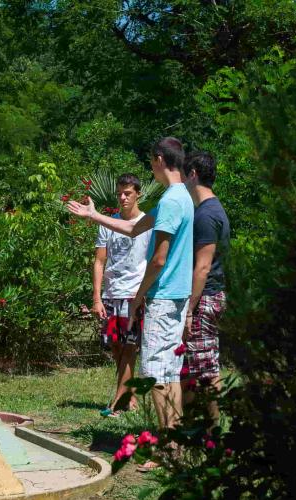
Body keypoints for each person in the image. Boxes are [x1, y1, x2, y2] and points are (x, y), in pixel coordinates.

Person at [68, 138, 193, 469]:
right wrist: (94, 216)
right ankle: (175, 445)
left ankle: (169, 448)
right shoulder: (181, 197)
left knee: (155, 373)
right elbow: (131, 228)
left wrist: (139, 298)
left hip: (163, 298)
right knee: (169, 372)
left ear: (158, 159)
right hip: (175, 298)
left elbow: (159, 258)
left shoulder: (171, 201)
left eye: (151, 162)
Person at [93, 174, 152, 417]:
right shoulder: (108, 222)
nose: (123, 197)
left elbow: (154, 260)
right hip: (111, 293)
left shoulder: (147, 222)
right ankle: (129, 396)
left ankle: (120, 399)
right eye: (119, 193)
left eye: (127, 193)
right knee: (117, 348)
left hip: (134, 293)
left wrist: (146, 292)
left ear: (138, 193)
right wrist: (97, 297)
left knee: (130, 348)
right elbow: (99, 261)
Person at [180, 151, 230, 427]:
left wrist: (189, 309)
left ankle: (211, 432)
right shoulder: (212, 209)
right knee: (199, 365)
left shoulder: (206, 215)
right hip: (211, 295)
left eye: (186, 175)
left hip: (205, 297)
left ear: (193, 174)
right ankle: (195, 427)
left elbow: (202, 268)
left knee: (206, 370)